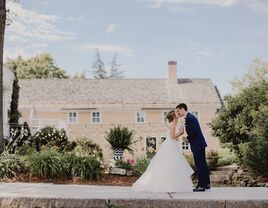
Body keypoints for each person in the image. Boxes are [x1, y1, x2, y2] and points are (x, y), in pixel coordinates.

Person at [132, 110, 193, 193]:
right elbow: (172, 136)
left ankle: (171, 184)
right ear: (174, 116)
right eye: (176, 113)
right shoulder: (173, 123)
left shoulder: (173, 123)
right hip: (170, 145)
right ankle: (170, 185)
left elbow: (173, 137)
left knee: (172, 164)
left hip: (171, 144)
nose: (178, 113)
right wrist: (181, 132)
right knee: (171, 164)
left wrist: (179, 134)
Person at [176, 103, 210, 192]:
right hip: (199, 143)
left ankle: (201, 186)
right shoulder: (190, 117)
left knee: (200, 165)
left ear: (183, 109)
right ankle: (206, 184)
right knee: (203, 164)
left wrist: (187, 138)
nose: (178, 112)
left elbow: (194, 131)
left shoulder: (190, 118)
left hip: (197, 144)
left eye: (178, 110)